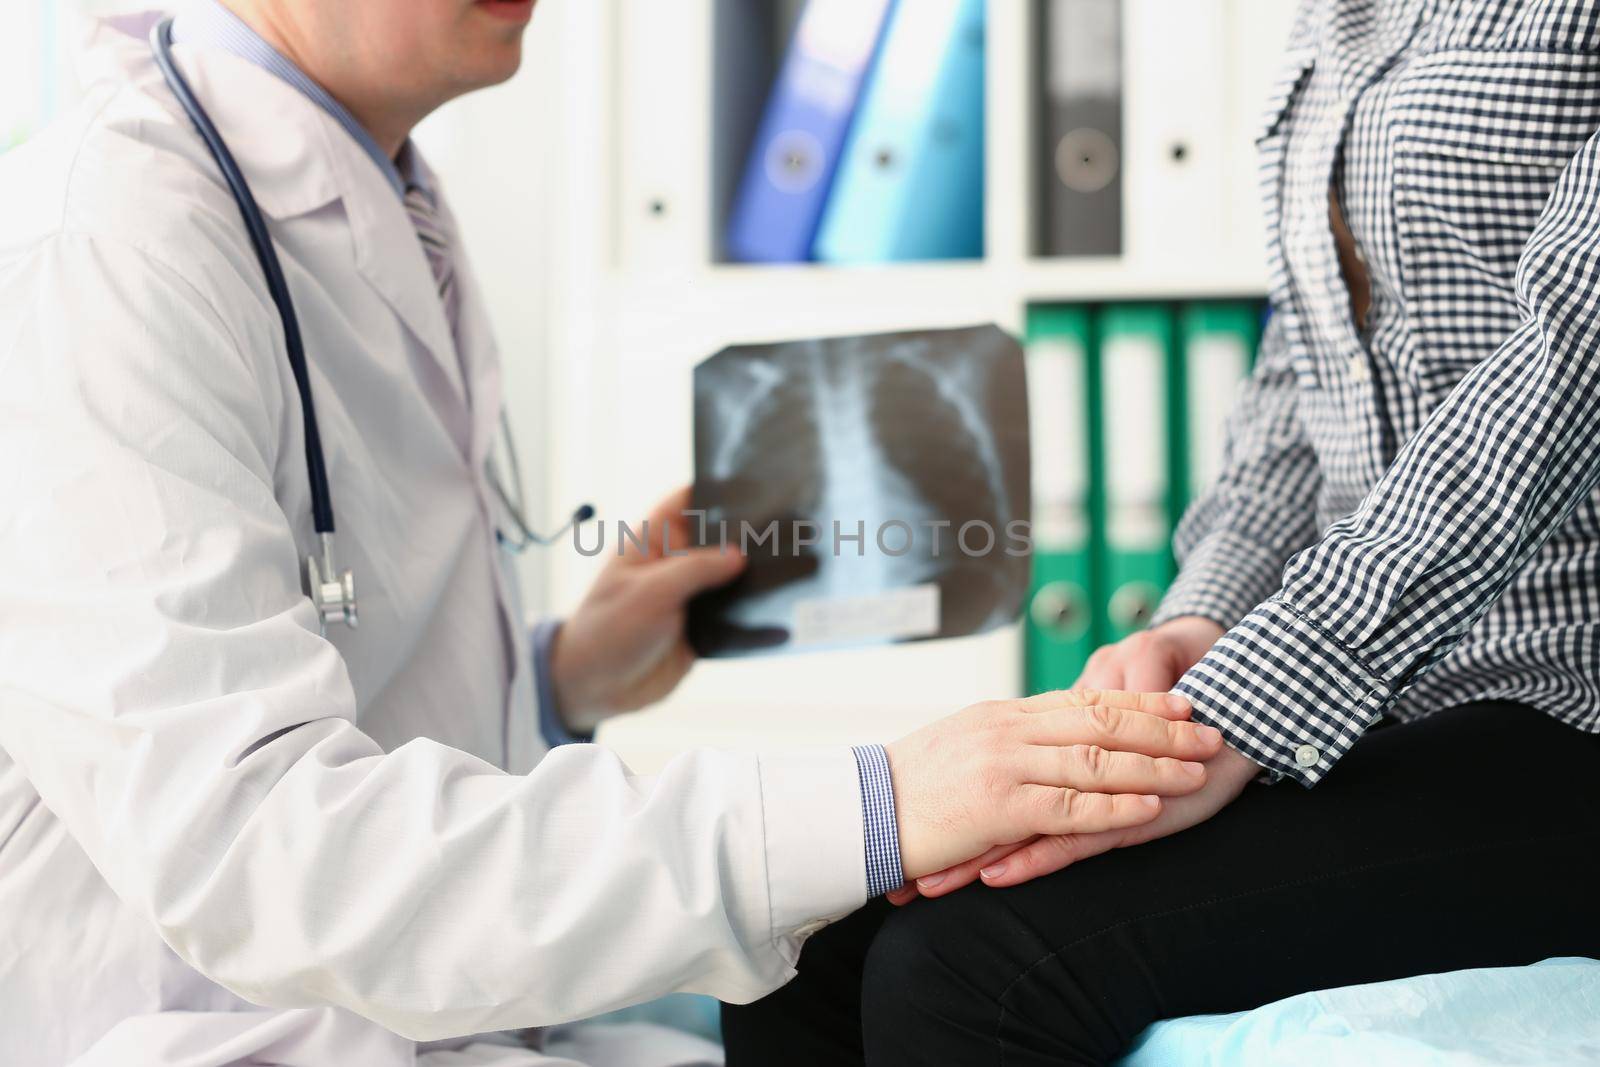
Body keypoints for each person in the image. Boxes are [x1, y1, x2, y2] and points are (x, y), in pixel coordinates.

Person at [0, 2, 1231, 1065]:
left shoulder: (378, 185)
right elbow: (264, 855)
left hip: (418, 1008)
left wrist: (561, 677)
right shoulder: (106, 246)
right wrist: (883, 801)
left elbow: (323, 663)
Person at [721, 0, 1600, 1063]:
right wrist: (1202, 616)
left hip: (1564, 699)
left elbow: (1561, 380)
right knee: (802, 942)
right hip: (1378, 709)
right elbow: (1302, 373)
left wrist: (1244, 705)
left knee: (968, 966)